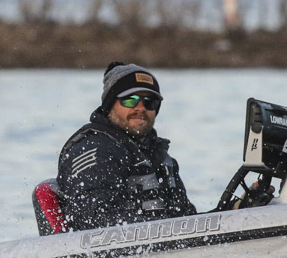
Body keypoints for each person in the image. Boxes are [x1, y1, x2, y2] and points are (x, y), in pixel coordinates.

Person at [56, 62, 196, 231]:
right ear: (109, 106)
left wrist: (224, 214)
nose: (141, 108)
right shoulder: (93, 151)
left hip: (164, 244)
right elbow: (93, 220)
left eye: (150, 102)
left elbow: (188, 221)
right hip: (114, 247)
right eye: (130, 100)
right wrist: (163, 230)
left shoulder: (161, 157)